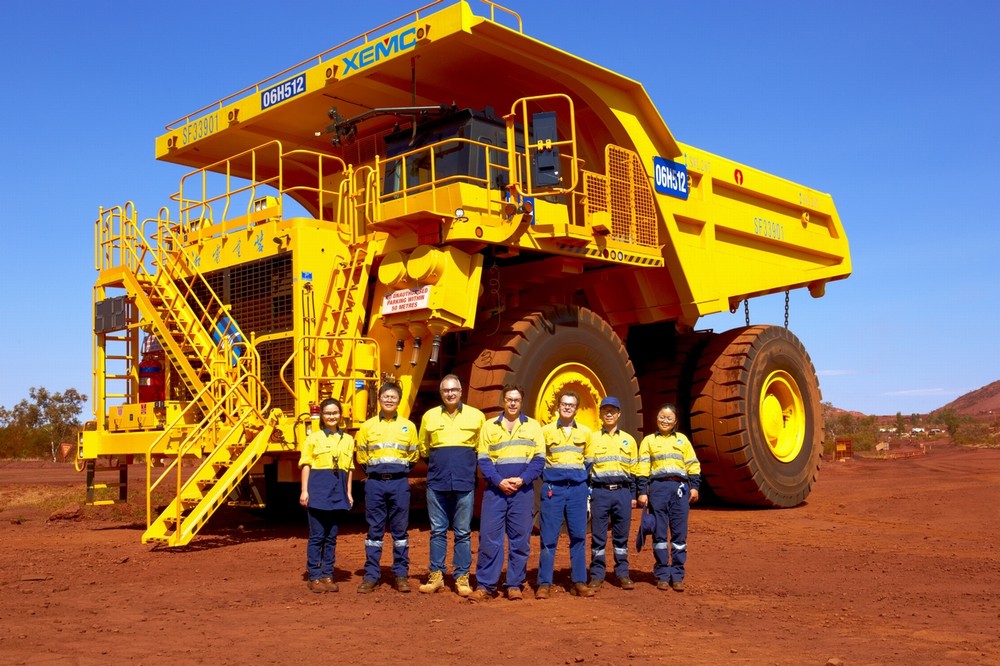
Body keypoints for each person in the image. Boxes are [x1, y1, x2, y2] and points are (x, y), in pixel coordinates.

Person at [469, 384, 545, 602]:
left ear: (522, 402)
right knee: (489, 539)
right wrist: (499, 481)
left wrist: (522, 479)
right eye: (509, 399)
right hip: (495, 492)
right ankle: (485, 585)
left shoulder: (533, 427)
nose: (512, 403)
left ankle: (514, 584)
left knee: (520, 541)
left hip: (522, 492)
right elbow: (483, 459)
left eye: (516, 400)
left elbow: (539, 459)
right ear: (503, 400)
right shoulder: (490, 426)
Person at [417, 374, 485, 597]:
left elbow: (480, 449)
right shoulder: (429, 416)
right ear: (441, 393)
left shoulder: (477, 416)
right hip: (437, 483)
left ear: (461, 391)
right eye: (446, 390)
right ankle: (436, 575)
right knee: (437, 531)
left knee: (463, 532)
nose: (450, 393)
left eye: (454, 389)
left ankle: (462, 577)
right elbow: (424, 449)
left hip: (465, 483)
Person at [355, 382, 419, 593]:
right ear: (379, 399)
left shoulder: (408, 427)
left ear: (399, 400)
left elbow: (413, 456)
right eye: (386, 396)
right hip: (374, 483)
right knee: (374, 531)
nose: (389, 400)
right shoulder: (367, 427)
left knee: (400, 532)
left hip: (399, 483)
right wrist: (375, 473)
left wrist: (398, 472)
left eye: (393, 397)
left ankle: (401, 575)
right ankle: (371, 575)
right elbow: (362, 456)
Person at [535, 390, 595, 598]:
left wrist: (577, 478)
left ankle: (579, 582)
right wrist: (553, 477)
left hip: (577, 490)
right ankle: (544, 583)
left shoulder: (586, 433)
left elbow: (589, 461)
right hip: (553, 489)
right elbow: (539, 459)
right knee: (548, 537)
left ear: (576, 409)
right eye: (564, 404)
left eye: (571, 404)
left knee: (578, 536)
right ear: (558, 407)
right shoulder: (545, 431)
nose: (567, 407)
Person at [636, 403, 701, 591]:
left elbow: (692, 464)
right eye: (662, 417)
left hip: (680, 489)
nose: (665, 420)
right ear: (657, 419)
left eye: (669, 418)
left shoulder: (682, 440)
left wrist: (694, 487)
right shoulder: (649, 441)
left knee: (679, 533)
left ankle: (677, 575)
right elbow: (643, 467)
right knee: (659, 533)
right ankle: (663, 575)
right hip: (658, 489)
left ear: (675, 421)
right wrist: (642, 491)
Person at [299, 398, 355, 593]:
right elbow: (306, 465)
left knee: (331, 537)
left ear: (340, 414)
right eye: (328, 413)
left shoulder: (348, 440)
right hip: (318, 490)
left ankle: (327, 574)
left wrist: (348, 493)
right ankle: (314, 576)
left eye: (335, 412)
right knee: (317, 536)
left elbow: (349, 469)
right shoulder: (313, 438)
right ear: (322, 416)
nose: (332, 416)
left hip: (338, 492)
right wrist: (304, 490)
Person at [584, 396, 639, 591]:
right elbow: (586, 469)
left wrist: (633, 496)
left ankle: (622, 573)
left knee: (621, 536)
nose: (609, 414)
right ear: (600, 414)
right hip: (600, 493)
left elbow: (634, 471)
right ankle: (597, 575)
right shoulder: (592, 438)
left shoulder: (629, 440)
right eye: (605, 410)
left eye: (612, 411)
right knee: (598, 536)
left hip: (622, 493)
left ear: (619, 414)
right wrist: (587, 495)